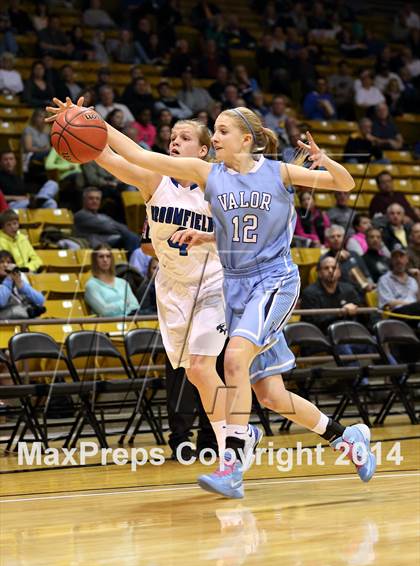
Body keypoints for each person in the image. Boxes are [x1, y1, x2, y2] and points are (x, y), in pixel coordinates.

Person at [54, 98, 375, 497]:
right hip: (233, 287)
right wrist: (93, 121)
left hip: (272, 281)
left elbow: (345, 184)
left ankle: (233, 460)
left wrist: (324, 159)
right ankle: (348, 437)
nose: (216, 136)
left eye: (222, 131)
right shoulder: (209, 175)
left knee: (232, 359)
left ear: (247, 139)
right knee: (271, 395)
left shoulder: (277, 172)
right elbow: (137, 153)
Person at [47, 100, 228, 463]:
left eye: (185, 137)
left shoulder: (219, 186)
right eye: (172, 136)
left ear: (204, 150)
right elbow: (113, 160)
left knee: (208, 365)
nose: (174, 141)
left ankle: (225, 440)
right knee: (186, 371)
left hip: (213, 285)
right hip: (173, 288)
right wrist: (84, 126)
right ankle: (194, 437)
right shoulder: (154, 180)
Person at [301, 256, 361, 335]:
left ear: (339, 272)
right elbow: (313, 322)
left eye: (334, 267)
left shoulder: (349, 289)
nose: (330, 270)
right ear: (319, 273)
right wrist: (340, 312)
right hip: (322, 337)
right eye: (326, 268)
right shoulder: (309, 293)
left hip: (349, 333)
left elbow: (362, 315)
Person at [74, 187, 140, 256]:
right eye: (91, 198)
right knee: (131, 237)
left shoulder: (103, 216)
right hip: (98, 246)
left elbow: (117, 227)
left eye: (97, 199)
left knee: (134, 237)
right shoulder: (81, 215)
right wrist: (121, 230)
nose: (95, 201)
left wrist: (120, 229)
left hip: (113, 241)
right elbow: (107, 227)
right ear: (84, 200)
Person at [85, 244, 139, 316]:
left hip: (129, 321)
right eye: (101, 257)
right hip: (108, 325)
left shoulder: (123, 283)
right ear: (95, 260)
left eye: (108, 256)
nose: (105, 260)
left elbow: (135, 306)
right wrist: (125, 304)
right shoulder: (91, 285)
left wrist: (113, 306)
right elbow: (104, 310)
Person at [323, 225, 375, 294]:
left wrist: (370, 284)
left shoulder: (354, 254)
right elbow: (327, 282)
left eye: (339, 236)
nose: (336, 239)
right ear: (327, 241)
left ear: (344, 238)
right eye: (332, 237)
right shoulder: (324, 259)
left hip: (363, 292)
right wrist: (335, 260)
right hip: (341, 294)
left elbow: (366, 274)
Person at [378, 245, 420, 321]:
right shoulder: (384, 279)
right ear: (391, 260)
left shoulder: (412, 280)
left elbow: (418, 300)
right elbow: (388, 303)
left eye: (401, 256)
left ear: (407, 259)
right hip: (397, 314)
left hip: (415, 313)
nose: (398, 260)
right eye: (395, 257)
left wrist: (418, 279)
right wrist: (411, 305)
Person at [0, 249, 45, 320]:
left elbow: (40, 300)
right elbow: (1, 301)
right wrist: (9, 280)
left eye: (8, 262)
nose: (5, 265)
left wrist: (22, 286)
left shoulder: (17, 276)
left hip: (25, 320)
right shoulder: (10, 278)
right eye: (1, 262)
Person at [21, 109, 51, 177]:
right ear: (34, 118)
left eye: (44, 117)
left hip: (44, 155)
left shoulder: (45, 131)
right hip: (31, 156)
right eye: (40, 117)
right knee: (52, 152)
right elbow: (28, 148)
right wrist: (43, 150)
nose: (43, 119)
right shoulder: (29, 130)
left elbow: (47, 147)